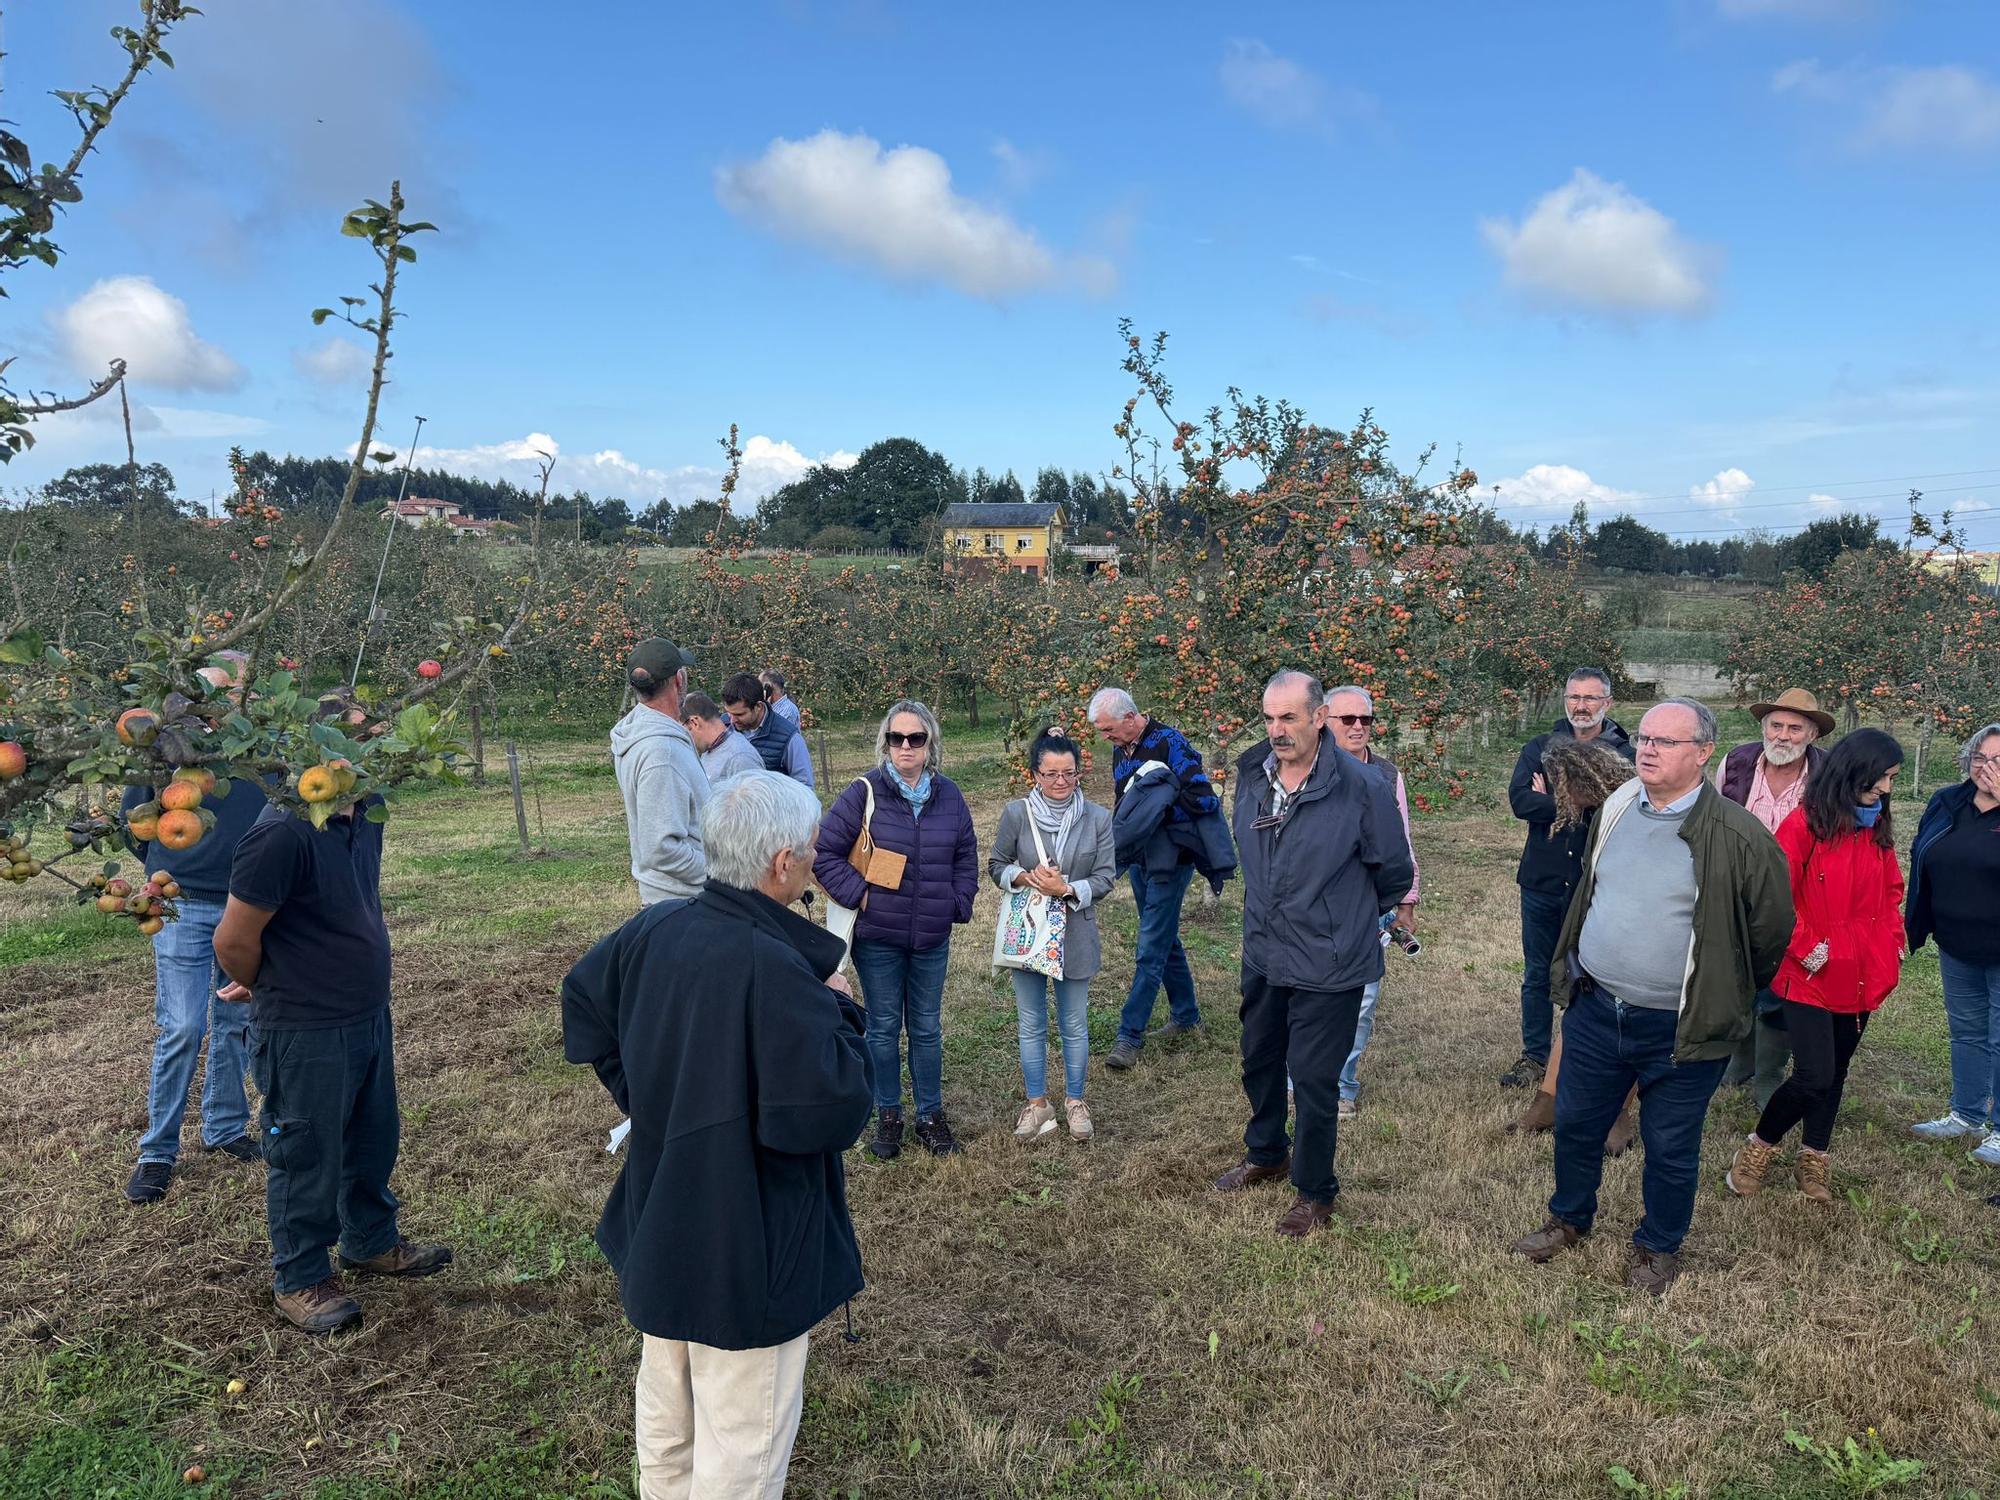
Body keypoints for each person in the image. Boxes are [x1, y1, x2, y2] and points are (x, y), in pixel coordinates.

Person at [561, 772, 870, 1500]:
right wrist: (843, 1015)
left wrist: (647, 1094)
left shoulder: (656, 929)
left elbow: (583, 997)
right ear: (778, 864)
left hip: (665, 1215)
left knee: (668, 1399)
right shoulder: (779, 970)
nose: (815, 860)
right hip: (747, 1240)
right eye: (811, 850)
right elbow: (828, 1114)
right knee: (742, 1432)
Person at [1509, 698, 1792, 1295]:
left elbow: (1769, 932)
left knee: (1669, 1145)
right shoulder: (1615, 807)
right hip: (1597, 1008)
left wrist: (1722, 991)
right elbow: (1594, 888)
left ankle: (1658, 1246)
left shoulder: (1738, 836)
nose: (1648, 749)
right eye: (1644, 738)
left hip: (1680, 1028)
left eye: (1667, 741)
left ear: (1704, 752)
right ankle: (1569, 1219)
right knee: (1578, 1126)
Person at [213, 790, 452, 1334]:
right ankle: (299, 1278)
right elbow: (232, 939)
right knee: (307, 1153)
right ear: (324, 747)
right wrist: (268, 985)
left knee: (372, 1138)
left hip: (365, 1012)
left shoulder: (368, 811)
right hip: (303, 1026)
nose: (380, 745)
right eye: (362, 733)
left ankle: (369, 1242)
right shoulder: (281, 833)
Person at [1213, 671, 1413, 1237]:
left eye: (1289, 718)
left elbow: (1393, 872)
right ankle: (1267, 1151)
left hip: (1330, 959)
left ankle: (1315, 1191)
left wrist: (1339, 918)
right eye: (1269, 718)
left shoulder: (1361, 788)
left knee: (1315, 1079)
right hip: (1265, 949)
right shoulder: (1255, 773)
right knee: (1259, 1057)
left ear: (1318, 717)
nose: (1277, 730)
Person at [1726, 729, 1905, 1204]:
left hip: (1861, 970)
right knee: (1813, 1074)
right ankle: (1759, 1147)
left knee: (1837, 1069)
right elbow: (1777, 898)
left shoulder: (1875, 828)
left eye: (1891, 779)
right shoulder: (1804, 826)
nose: (1886, 788)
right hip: (1810, 973)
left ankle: (1814, 1156)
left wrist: (1891, 941)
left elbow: (1891, 892)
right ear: (1854, 771)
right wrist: (1812, 948)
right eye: (1882, 777)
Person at [814, 699, 979, 1159]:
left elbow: (966, 855)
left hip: (931, 937)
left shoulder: (950, 796)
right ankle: (889, 1113)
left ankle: (929, 1114)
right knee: (884, 1028)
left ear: (930, 744)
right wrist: (859, 895)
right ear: (885, 743)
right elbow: (824, 853)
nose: (905, 746)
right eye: (896, 738)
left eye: (916, 738)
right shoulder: (863, 792)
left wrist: (957, 903)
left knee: (926, 1028)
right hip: (878, 939)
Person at [121, 769, 272, 1204]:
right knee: (183, 1027)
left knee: (236, 1017)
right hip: (180, 901)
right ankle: (158, 1152)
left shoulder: (262, 746)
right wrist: (173, 866)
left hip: (246, 901)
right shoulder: (172, 744)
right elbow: (134, 821)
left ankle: (224, 1128)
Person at [1090, 686, 1234, 1071]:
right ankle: (1186, 1016)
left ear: (1130, 717)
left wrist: (1164, 803)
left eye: (1107, 730)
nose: (1105, 738)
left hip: (1171, 860)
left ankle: (1128, 1035)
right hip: (1139, 856)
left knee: (1150, 944)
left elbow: (1205, 798)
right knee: (1163, 936)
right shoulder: (1120, 749)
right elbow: (1125, 800)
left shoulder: (1170, 742)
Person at [1504, 668, 1634, 1090]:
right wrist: (1585, 801)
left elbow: (1624, 809)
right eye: (1574, 696)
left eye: (1591, 698)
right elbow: (1522, 801)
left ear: (1607, 703)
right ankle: (1535, 1056)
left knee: (1591, 974)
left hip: (1595, 885)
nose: (1581, 705)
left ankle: (1580, 1057)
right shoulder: (1541, 747)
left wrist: (1557, 798)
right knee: (1538, 973)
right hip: (1542, 881)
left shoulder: (1626, 753)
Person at [988, 732, 1117, 1143]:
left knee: (1075, 1023)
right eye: (1051, 774)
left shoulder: (1097, 818)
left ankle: (1076, 1101)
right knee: (1030, 1022)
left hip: (1074, 933)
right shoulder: (1016, 813)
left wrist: (1067, 889)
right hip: (1030, 931)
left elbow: (1106, 877)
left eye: (1069, 773)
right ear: (1034, 774)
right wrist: (1023, 877)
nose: (1061, 782)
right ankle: (1037, 1103)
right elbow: (995, 865)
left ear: (1080, 772)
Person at [1715, 688, 1835, 1107]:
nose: (1783, 736)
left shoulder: (1828, 775)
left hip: (1797, 895)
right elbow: (1714, 819)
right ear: (1765, 728)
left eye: (1795, 728)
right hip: (1736, 887)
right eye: (1776, 725)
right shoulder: (1736, 764)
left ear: (1812, 735)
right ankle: (1740, 1059)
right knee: (1735, 976)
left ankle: (1768, 1071)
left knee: (1782, 985)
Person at [1318, 685, 1418, 1118]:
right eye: (1348, 719)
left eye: (1366, 720)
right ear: (1325, 720)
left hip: (1369, 903)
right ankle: (1297, 1077)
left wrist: (1407, 901)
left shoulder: (1387, 775)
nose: (1359, 727)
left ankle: (1343, 1085)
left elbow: (1402, 843)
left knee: (1361, 1000)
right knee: (1307, 994)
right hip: (1315, 901)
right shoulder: (1306, 769)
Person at [1906, 721, 2000, 1166]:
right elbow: (1921, 857)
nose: (1987, 768)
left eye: (1998, 760)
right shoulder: (1948, 801)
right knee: (1967, 1032)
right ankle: (1966, 1115)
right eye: (1980, 758)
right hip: (1955, 942)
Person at [611, 640, 709, 905]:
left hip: (677, 899)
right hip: (682, 902)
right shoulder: (661, 751)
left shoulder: (645, 732)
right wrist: (720, 873)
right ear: (678, 680)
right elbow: (662, 849)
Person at [723, 671, 814, 789]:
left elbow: (804, 787)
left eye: (739, 714)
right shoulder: (722, 726)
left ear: (758, 707)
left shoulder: (789, 738)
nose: (732, 720)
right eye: (729, 713)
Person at [681, 692, 762, 784]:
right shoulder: (708, 749)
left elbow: (755, 797)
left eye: (683, 731)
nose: (684, 739)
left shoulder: (741, 758)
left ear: (695, 723)